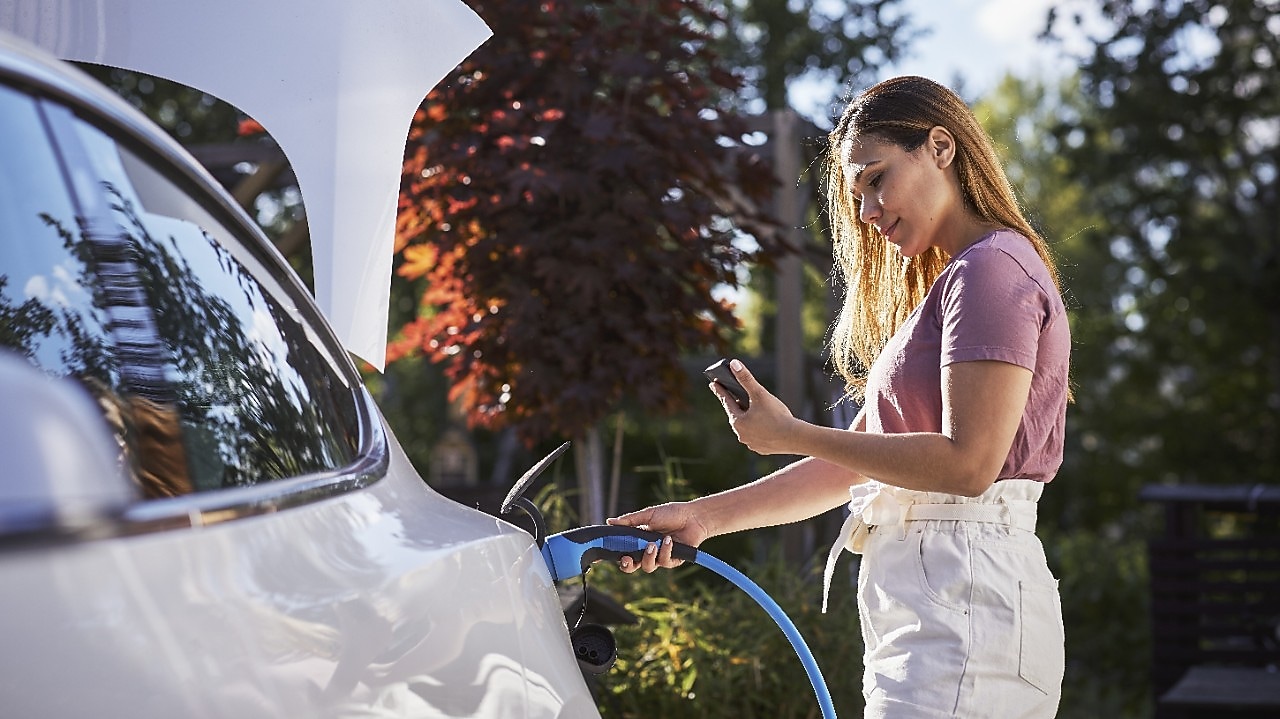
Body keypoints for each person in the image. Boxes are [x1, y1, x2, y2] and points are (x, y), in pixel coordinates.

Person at [608, 75, 1070, 718]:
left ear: (941, 147)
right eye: (855, 195)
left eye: (876, 179)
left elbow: (970, 465)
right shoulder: (955, 283)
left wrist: (793, 433)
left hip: (967, 608)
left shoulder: (991, 269)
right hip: (940, 607)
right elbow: (860, 465)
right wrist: (706, 518)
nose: (866, 212)